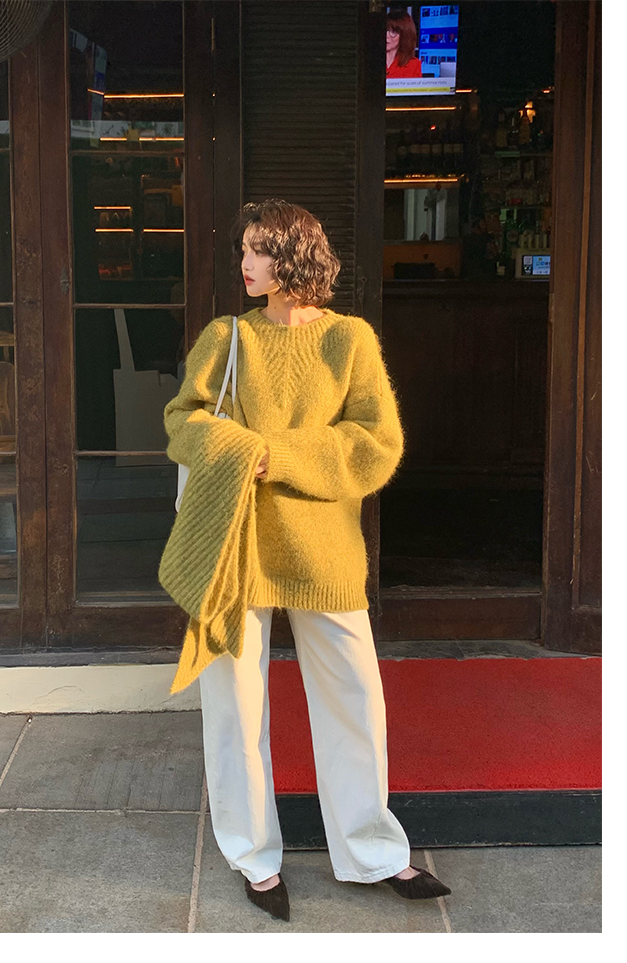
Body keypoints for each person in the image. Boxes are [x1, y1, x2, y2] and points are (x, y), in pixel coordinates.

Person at [162, 199, 451, 923]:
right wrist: (238, 448)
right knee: (235, 707)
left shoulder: (349, 340)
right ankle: (253, 857)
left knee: (354, 697)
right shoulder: (227, 337)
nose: (245, 263)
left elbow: (376, 443)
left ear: (294, 255)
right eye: (244, 249)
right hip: (236, 543)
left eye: (259, 249)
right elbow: (181, 419)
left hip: (324, 546)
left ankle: (372, 850)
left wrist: (274, 455)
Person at [386, 10, 423, 78]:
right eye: (385, 30)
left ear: (404, 35)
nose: (387, 36)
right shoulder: (370, 61)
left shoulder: (414, 65)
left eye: (394, 32)